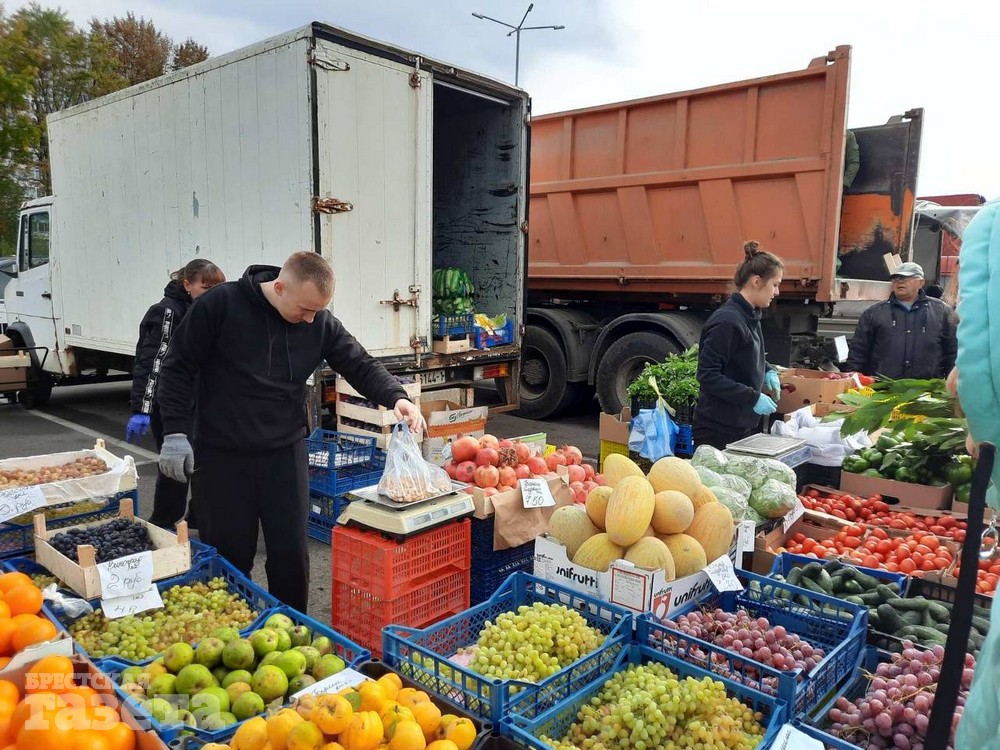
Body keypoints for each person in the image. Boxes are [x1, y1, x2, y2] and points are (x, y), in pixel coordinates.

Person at [155, 251, 424, 611]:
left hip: (284, 453)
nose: (310, 319)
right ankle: (233, 633)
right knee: (230, 557)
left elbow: (358, 363)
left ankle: (294, 629)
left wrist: (397, 398)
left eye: (317, 311)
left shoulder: (319, 322)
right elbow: (177, 367)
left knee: (291, 556)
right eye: (304, 309)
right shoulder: (221, 305)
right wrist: (174, 433)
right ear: (279, 287)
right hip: (222, 455)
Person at [125, 259, 225, 529]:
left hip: (201, 402)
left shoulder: (209, 311)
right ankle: (163, 521)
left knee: (205, 461)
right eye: (206, 287)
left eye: (218, 287)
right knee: (175, 466)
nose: (213, 293)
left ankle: (198, 515)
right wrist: (142, 409)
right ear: (187, 284)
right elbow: (152, 362)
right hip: (171, 404)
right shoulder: (167, 313)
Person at [693, 241, 784, 450]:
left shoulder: (751, 315)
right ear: (756, 281)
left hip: (740, 424)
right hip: (717, 430)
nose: (777, 292)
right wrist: (752, 397)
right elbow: (708, 375)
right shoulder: (727, 322)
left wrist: (768, 370)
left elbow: (745, 354)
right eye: (775, 284)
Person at [844, 262, 957, 379]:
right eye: (896, 279)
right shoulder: (874, 313)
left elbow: (952, 352)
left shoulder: (942, 311)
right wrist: (854, 379)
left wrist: (953, 384)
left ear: (921, 282)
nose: (900, 282)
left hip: (927, 391)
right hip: (882, 389)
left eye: (906, 278)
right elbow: (858, 352)